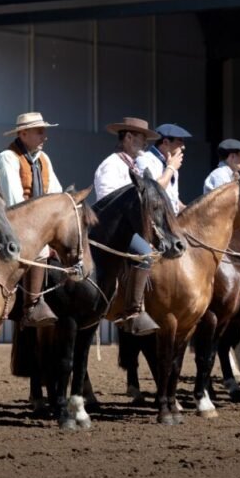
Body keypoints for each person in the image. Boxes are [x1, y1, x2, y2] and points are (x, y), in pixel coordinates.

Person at [0, 112, 63, 328]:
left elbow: (55, 194)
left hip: (37, 225)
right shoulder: (7, 158)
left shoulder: (43, 159)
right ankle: (31, 305)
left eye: (44, 132)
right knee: (40, 249)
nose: (45, 137)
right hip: (11, 223)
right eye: (40, 132)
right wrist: (44, 236)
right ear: (23, 134)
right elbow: (15, 204)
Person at [93, 116, 163, 335]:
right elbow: (106, 202)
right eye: (142, 138)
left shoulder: (135, 167)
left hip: (133, 227)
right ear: (129, 137)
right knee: (144, 253)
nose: (145, 144)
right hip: (113, 230)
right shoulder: (110, 165)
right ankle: (133, 311)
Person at [136, 123, 190, 214]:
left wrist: (188, 209)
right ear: (165, 142)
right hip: (154, 222)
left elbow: (173, 199)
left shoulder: (171, 165)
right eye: (180, 141)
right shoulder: (144, 159)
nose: (183, 147)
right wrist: (171, 168)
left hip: (171, 221)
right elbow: (153, 192)